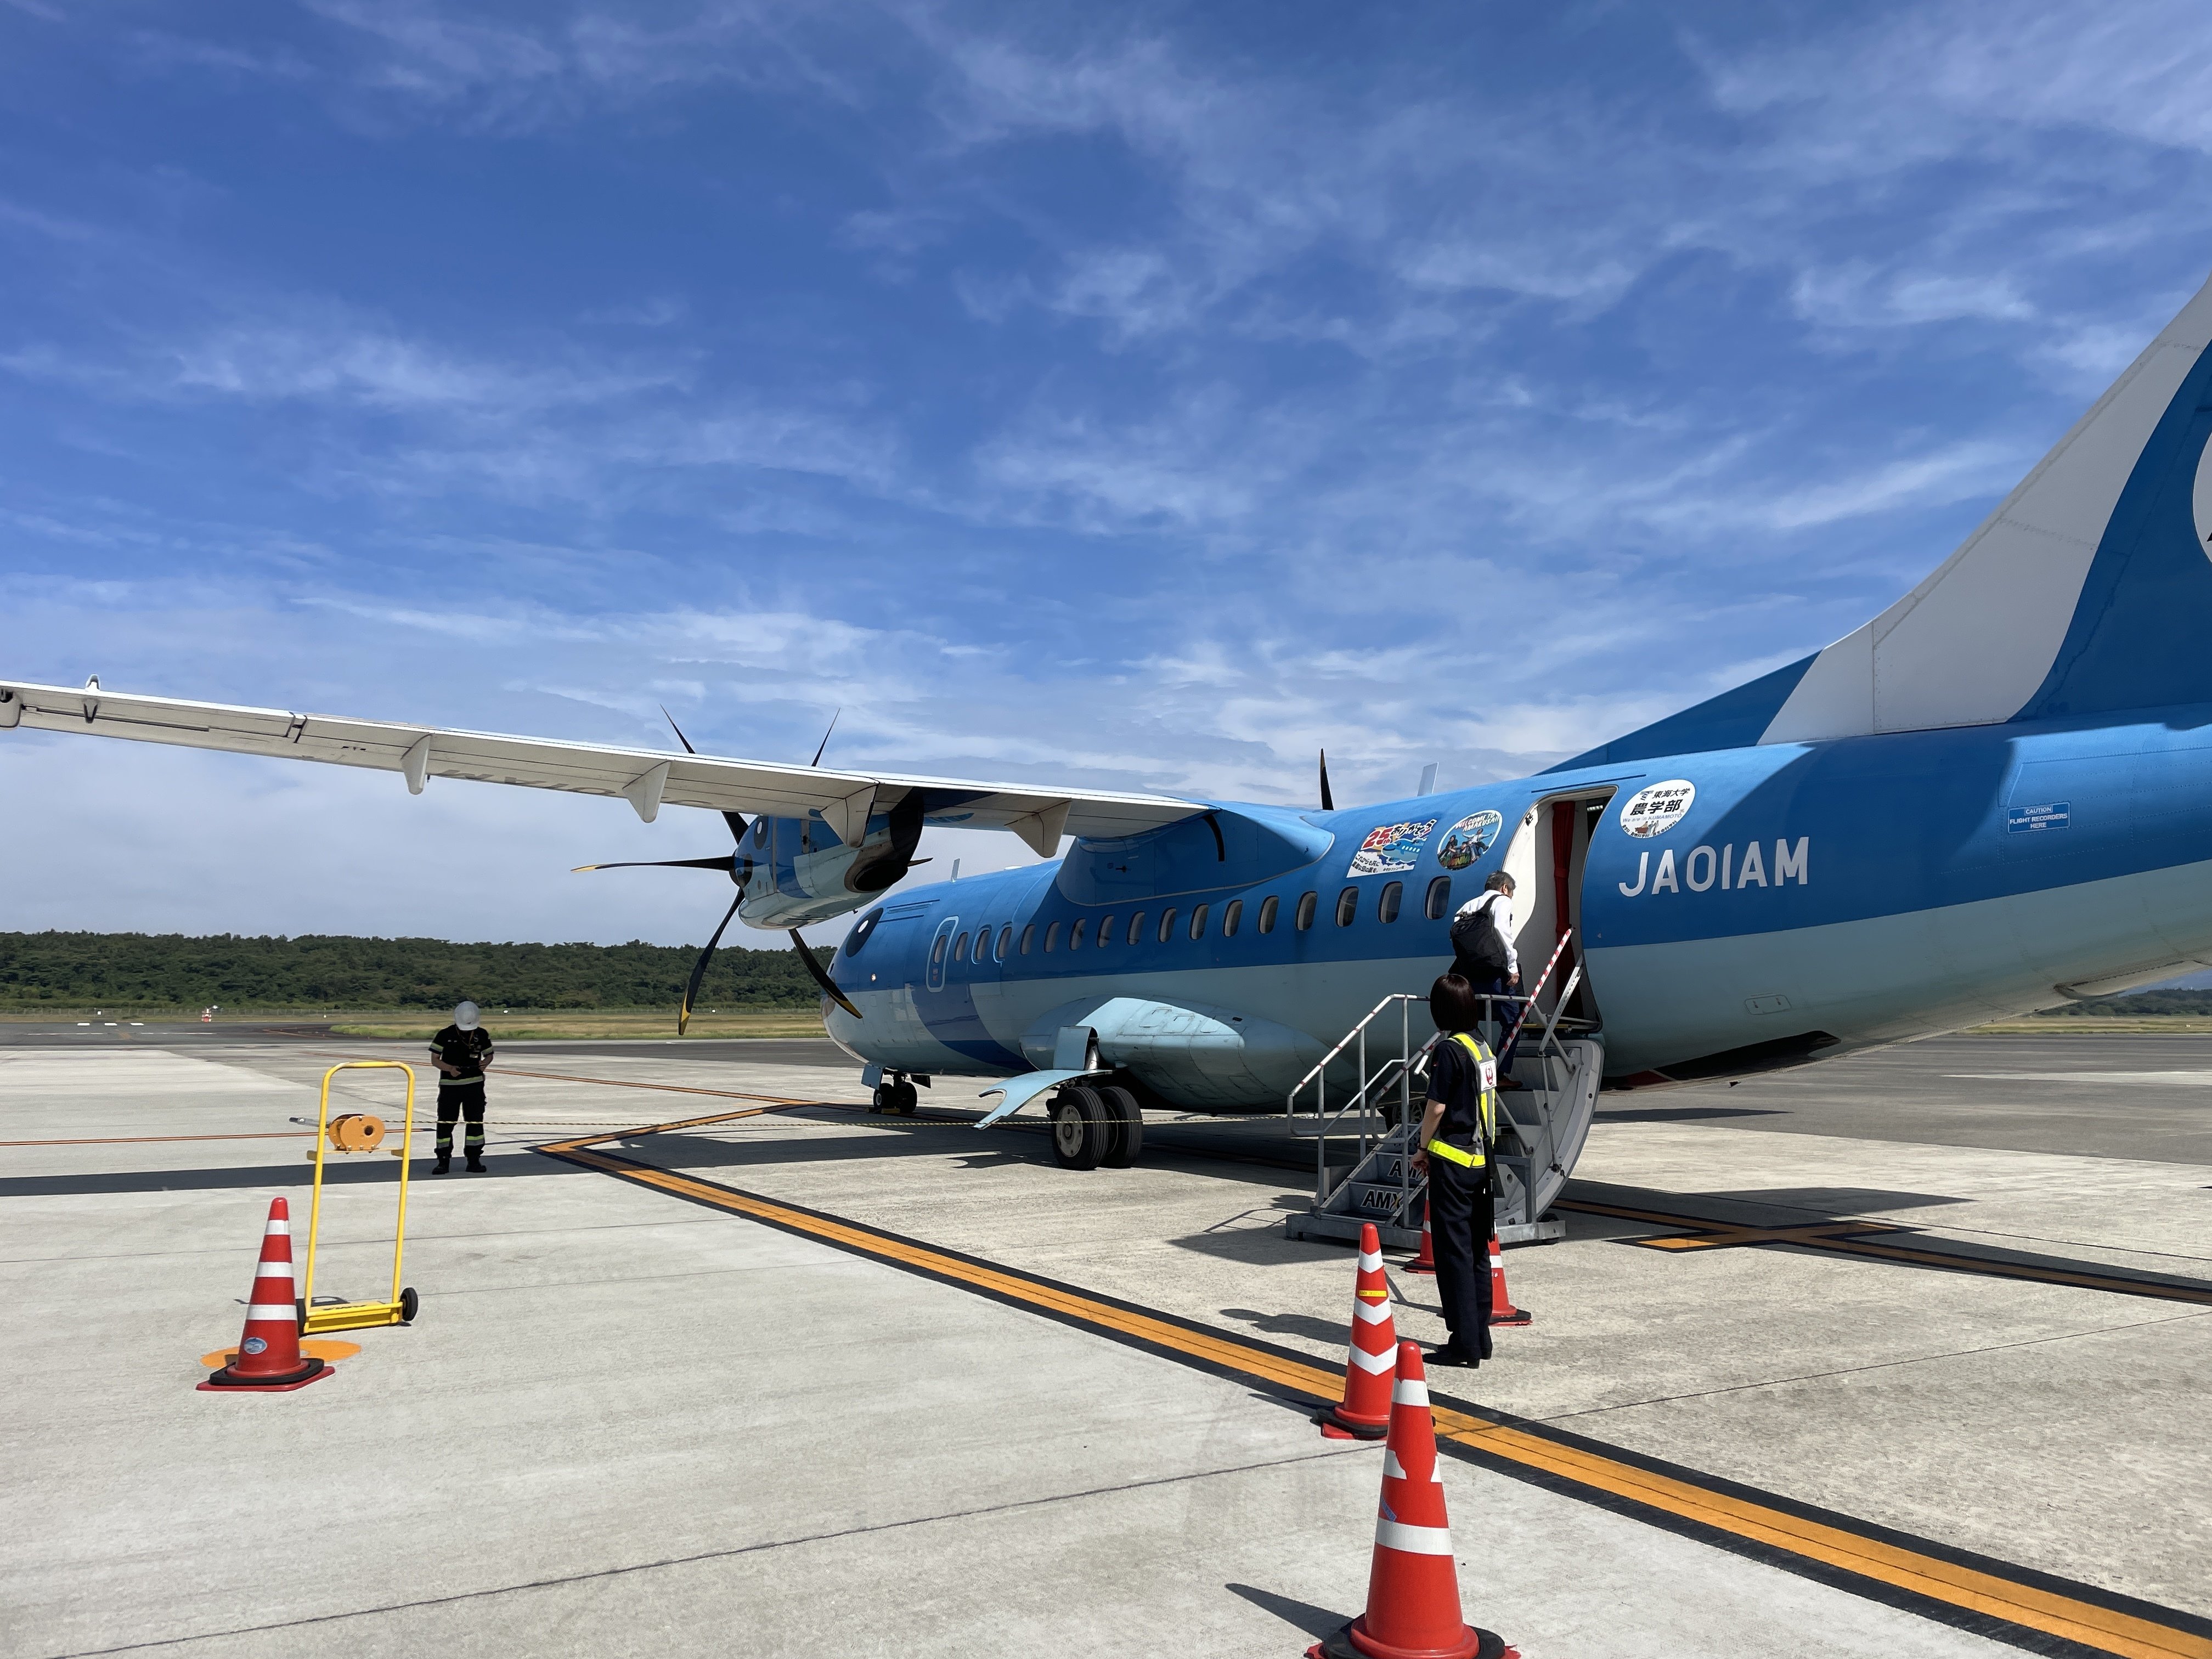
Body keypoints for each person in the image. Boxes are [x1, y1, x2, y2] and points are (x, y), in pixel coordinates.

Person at [1409, 973, 1497, 1368]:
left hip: (1453, 1166)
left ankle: (1463, 1344)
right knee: (1478, 1251)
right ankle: (1480, 1336)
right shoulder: (1481, 1047)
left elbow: (1437, 1108)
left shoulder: (1447, 1050)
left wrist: (1422, 1147)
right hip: (1483, 1165)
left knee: (1454, 1255)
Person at [1449, 870, 1522, 1077]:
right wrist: (1512, 967)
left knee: (1472, 1020)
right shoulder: (1502, 901)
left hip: (1469, 973)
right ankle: (1500, 1073)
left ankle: (1474, 1065)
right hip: (1495, 973)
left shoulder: (1467, 907)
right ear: (1504, 888)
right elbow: (1502, 932)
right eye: (1510, 893)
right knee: (1514, 1020)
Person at [427, 1000, 495, 1174]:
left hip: (474, 1086)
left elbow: (489, 1055)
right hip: (450, 1087)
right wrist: (450, 1069)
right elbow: (435, 1060)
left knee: (475, 1123)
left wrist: (484, 1064)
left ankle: (474, 1160)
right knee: (445, 1123)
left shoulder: (481, 1034)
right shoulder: (444, 1034)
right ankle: (443, 1161)